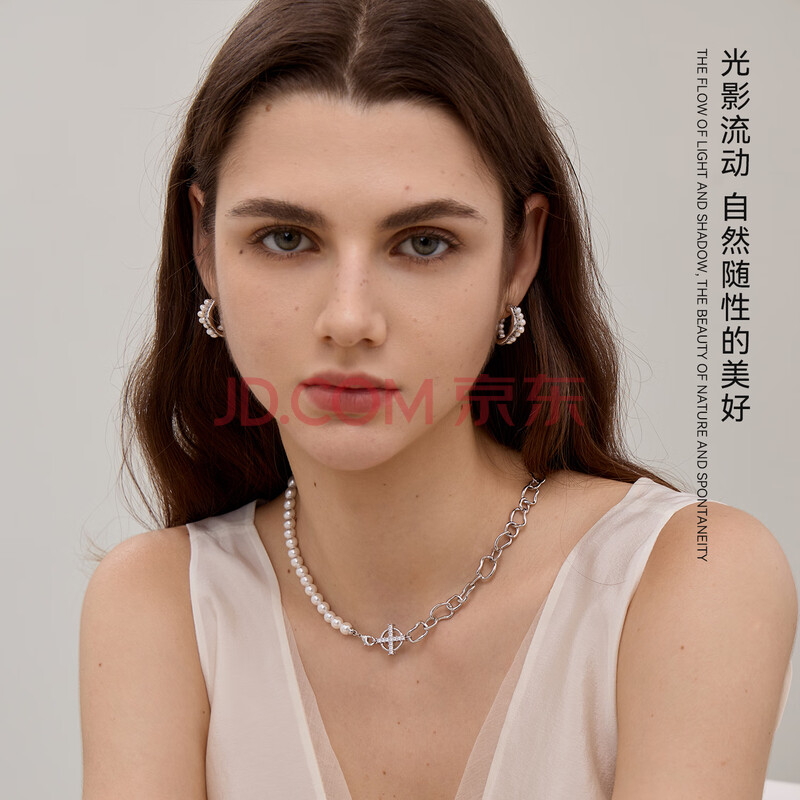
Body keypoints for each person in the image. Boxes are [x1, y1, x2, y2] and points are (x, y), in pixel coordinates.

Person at [79, 0, 797, 797]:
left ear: (520, 256)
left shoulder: (682, 577)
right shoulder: (162, 606)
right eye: (287, 238)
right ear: (205, 248)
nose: (349, 319)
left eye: (423, 243)